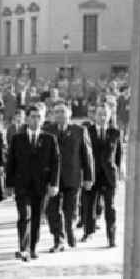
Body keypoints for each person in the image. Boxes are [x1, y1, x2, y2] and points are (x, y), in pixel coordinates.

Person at [5, 105, 60, 261]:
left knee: (36, 217)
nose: (36, 120)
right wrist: (9, 184)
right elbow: (11, 162)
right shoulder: (17, 139)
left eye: (39, 117)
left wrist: (54, 184)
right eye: (33, 116)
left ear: (43, 119)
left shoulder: (50, 139)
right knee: (24, 215)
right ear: (27, 118)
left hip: (41, 186)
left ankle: (32, 247)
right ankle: (23, 248)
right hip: (22, 185)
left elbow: (56, 163)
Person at [47, 101, 93, 251]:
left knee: (70, 209)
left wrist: (88, 177)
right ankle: (58, 239)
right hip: (53, 178)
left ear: (69, 113)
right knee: (52, 210)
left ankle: (69, 229)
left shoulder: (79, 131)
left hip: (72, 177)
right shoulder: (47, 130)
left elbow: (87, 155)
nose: (60, 115)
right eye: (57, 112)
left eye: (62, 111)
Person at [83, 104, 122, 247]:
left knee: (110, 207)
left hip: (108, 175)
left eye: (105, 114)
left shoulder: (115, 132)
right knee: (89, 205)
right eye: (100, 114)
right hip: (92, 174)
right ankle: (88, 232)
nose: (103, 117)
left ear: (110, 116)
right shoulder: (87, 131)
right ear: (95, 115)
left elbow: (118, 155)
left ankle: (111, 237)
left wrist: (118, 173)